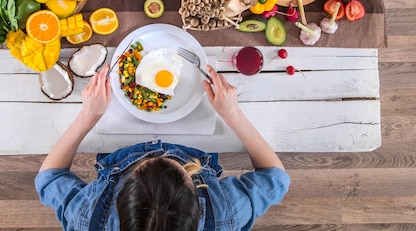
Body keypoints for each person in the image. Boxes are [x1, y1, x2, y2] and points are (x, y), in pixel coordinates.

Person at [35, 63, 290, 231]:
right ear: (196, 201)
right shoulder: (227, 215)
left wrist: (88, 115)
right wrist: (233, 114)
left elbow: (49, 178)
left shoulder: (88, 219)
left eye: (142, 168)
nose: (158, 153)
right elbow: (275, 177)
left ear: (120, 200)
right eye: (179, 169)